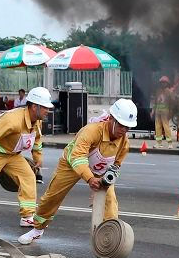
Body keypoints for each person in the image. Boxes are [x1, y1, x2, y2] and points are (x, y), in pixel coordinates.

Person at [19, 98, 137, 245]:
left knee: (110, 202)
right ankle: (37, 230)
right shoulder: (92, 131)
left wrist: (108, 178)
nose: (124, 131)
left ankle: (110, 238)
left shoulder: (124, 142)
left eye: (128, 128)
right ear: (111, 119)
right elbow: (78, 157)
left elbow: (116, 164)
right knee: (52, 197)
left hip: (99, 170)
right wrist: (89, 178)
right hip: (72, 163)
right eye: (121, 125)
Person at [0, 87, 52, 226]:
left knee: (28, 177)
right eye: (45, 108)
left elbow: (36, 138)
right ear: (34, 106)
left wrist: (37, 156)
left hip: (13, 155)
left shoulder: (37, 120)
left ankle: (27, 216)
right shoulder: (12, 119)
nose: (47, 111)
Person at [152, 76, 174, 147]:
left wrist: (171, 113)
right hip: (158, 112)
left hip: (165, 112)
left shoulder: (169, 92)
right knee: (157, 127)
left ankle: (170, 143)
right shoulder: (158, 91)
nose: (163, 84)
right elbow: (155, 102)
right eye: (161, 83)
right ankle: (159, 142)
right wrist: (152, 111)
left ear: (167, 83)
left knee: (166, 127)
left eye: (164, 83)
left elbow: (172, 103)